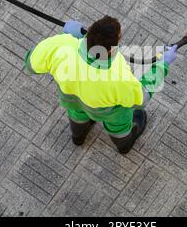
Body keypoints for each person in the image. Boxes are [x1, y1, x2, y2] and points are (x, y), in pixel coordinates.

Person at [24, 16, 178, 154]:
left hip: (72, 100)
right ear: (110, 50)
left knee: (77, 115)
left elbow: (30, 64)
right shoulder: (119, 76)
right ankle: (124, 146)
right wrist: (162, 65)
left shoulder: (60, 45)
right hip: (109, 112)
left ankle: (78, 137)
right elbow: (142, 97)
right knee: (119, 127)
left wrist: (68, 36)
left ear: (89, 32)